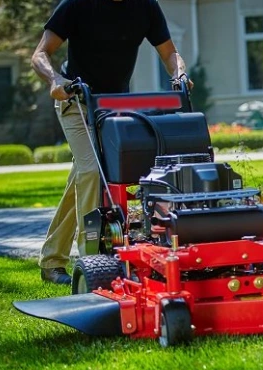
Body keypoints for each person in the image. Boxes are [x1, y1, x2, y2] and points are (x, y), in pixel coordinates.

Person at [31, 0, 193, 284]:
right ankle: (91, 262)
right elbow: (40, 54)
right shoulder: (77, 5)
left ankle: (51, 261)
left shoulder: (145, 6)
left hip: (114, 105)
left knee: (86, 175)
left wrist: (178, 72)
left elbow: (170, 53)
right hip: (76, 100)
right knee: (92, 171)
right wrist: (54, 79)